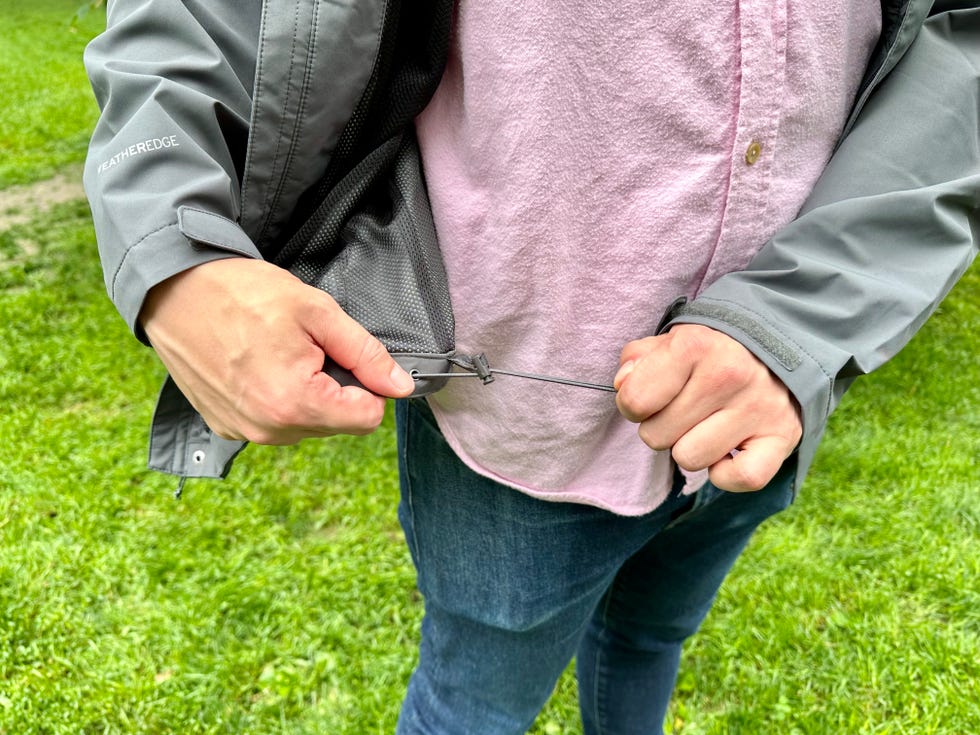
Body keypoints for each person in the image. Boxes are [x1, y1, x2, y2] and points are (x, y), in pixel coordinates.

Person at [84, 1, 979, 732]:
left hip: (766, 409)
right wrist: (172, 237)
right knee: (473, 705)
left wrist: (799, 320)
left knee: (649, 633)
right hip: (510, 448)